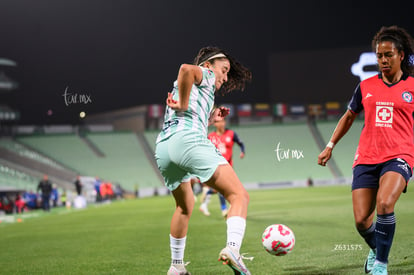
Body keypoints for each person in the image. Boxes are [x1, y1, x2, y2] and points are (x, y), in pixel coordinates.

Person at [317, 26, 414, 275]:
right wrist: (329, 146)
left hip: (400, 155)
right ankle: (377, 249)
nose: (383, 60)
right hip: (367, 156)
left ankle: (381, 265)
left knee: (384, 203)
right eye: (379, 55)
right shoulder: (366, 86)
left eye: (388, 55)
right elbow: (349, 116)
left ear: (401, 55)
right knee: (361, 221)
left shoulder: (412, 86)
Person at [155, 46, 252, 275]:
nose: (225, 77)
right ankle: (233, 249)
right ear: (209, 65)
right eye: (224, 70)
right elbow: (186, 69)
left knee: (184, 206)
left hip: (165, 148)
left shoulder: (202, 92)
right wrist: (184, 103)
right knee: (239, 196)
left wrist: (211, 118)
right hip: (188, 142)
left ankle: (176, 266)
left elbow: (188, 116)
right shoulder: (204, 73)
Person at [199, 119, 245, 217]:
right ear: (215, 124)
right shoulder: (210, 137)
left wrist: (242, 152)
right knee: (225, 188)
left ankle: (207, 195)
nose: (221, 123)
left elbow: (241, 143)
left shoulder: (231, 134)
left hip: (228, 166)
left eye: (222, 121)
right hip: (216, 166)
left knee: (221, 189)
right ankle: (224, 209)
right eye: (218, 122)